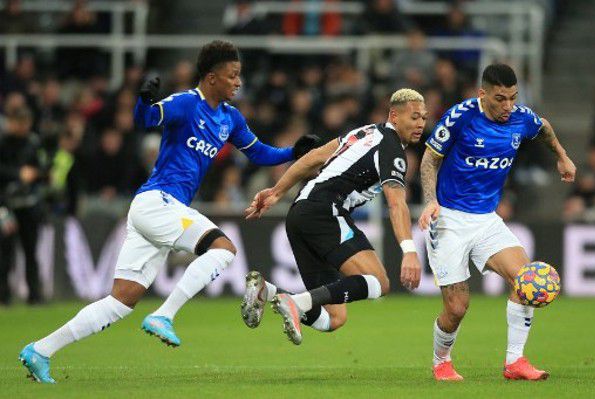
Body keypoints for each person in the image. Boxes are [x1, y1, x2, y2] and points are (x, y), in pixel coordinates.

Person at [18, 40, 320, 384]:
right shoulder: (185, 103)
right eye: (232, 76)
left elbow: (260, 153)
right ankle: (164, 315)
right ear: (210, 77)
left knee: (121, 302)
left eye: (240, 76)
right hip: (157, 201)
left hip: (160, 211)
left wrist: (293, 151)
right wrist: (143, 97)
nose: (238, 82)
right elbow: (145, 119)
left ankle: (40, 350)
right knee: (224, 250)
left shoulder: (230, 118)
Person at [418, 64, 576, 381]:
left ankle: (515, 362)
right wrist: (430, 201)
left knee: (526, 280)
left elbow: (542, 127)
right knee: (457, 307)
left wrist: (562, 154)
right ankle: (441, 361)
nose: (508, 107)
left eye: (513, 98)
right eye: (500, 99)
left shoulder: (521, 118)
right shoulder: (461, 116)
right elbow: (429, 159)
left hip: (486, 220)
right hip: (448, 218)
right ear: (483, 94)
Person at [242, 89, 425, 345]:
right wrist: (409, 250)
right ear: (394, 116)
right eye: (414, 117)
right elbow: (397, 205)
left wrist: (277, 192)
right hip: (325, 210)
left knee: (334, 317)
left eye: (424, 118)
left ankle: (269, 292)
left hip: (299, 213)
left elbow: (314, 158)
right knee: (380, 282)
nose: (420, 124)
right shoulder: (392, 148)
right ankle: (295, 302)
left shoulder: (361, 132)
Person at [0, 107, 44, 306]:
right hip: (6, 206)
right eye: (20, 122)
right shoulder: (3, 144)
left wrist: (35, 174)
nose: (23, 127)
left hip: (28, 204)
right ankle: (3, 295)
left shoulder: (33, 144)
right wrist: (19, 173)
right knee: (4, 253)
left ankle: (34, 295)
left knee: (31, 251)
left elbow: (43, 170)